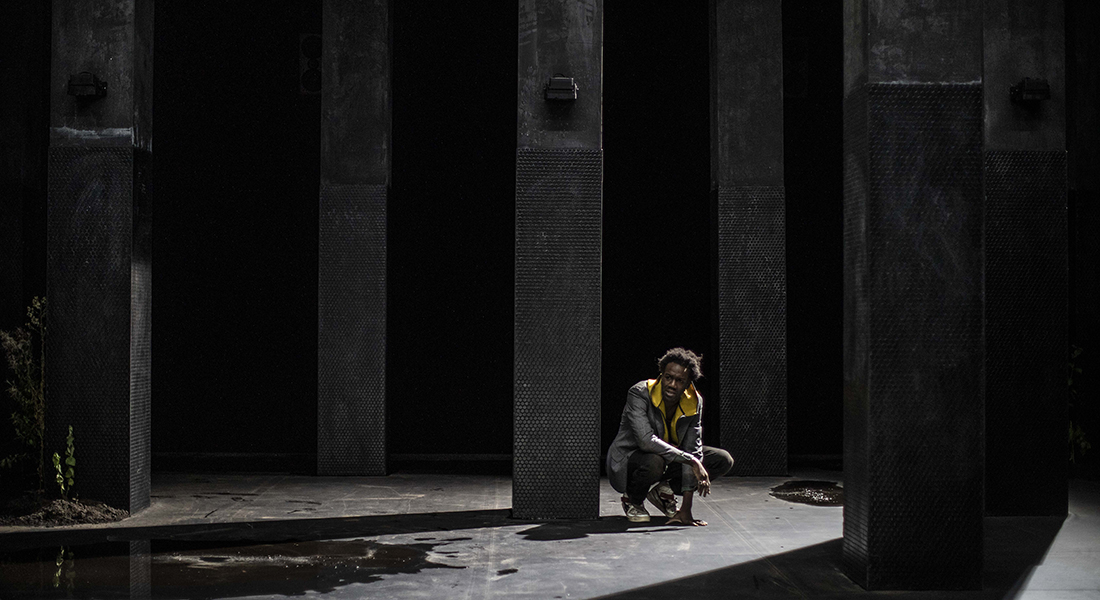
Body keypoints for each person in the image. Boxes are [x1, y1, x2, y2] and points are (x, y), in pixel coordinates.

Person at [606, 347, 734, 526]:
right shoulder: (639, 393)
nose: (672, 384)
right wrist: (690, 460)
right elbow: (646, 441)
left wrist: (686, 510)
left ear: (688, 383)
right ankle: (633, 499)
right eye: (668, 378)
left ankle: (664, 490)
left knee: (721, 459)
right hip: (631, 459)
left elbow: (692, 449)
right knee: (655, 460)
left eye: (680, 380)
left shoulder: (694, 401)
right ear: (661, 375)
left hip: (668, 457)